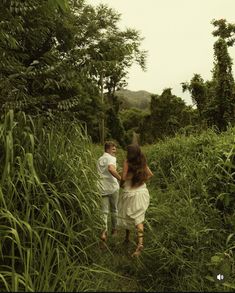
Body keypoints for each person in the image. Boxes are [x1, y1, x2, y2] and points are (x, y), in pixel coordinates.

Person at [118, 144, 153, 257]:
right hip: (141, 192)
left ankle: (132, 240)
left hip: (130, 193)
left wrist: (121, 184)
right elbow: (150, 175)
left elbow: (123, 177)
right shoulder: (142, 161)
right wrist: (141, 180)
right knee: (138, 218)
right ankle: (136, 242)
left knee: (128, 215)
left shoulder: (127, 161)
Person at [97, 141, 121, 243]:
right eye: (113, 149)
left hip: (101, 188)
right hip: (112, 187)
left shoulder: (99, 159)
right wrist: (120, 178)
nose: (115, 151)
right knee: (114, 209)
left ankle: (103, 232)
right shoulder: (111, 158)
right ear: (108, 149)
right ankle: (114, 231)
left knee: (104, 212)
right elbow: (111, 169)